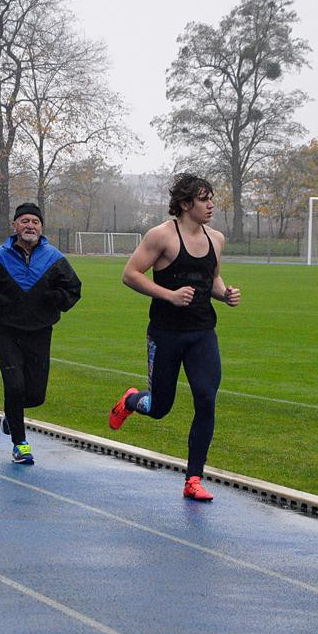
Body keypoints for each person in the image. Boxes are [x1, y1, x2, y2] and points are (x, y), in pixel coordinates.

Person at [108, 173, 241, 501]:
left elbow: (213, 279)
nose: (211, 205)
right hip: (165, 334)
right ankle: (130, 401)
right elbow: (130, 274)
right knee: (159, 407)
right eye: (203, 199)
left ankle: (193, 478)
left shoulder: (216, 239)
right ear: (185, 204)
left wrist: (225, 294)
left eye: (212, 198)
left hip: (202, 333)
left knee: (206, 398)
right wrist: (168, 295)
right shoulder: (162, 236)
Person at [0, 203, 81, 464]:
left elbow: (74, 289)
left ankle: (12, 413)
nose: (30, 225)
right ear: (15, 226)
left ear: (41, 227)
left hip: (40, 332)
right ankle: (20, 444)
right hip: (8, 332)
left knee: (35, 395)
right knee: (14, 385)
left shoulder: (54, 258)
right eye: (24, 221)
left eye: (35, 221)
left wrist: (55, 299)